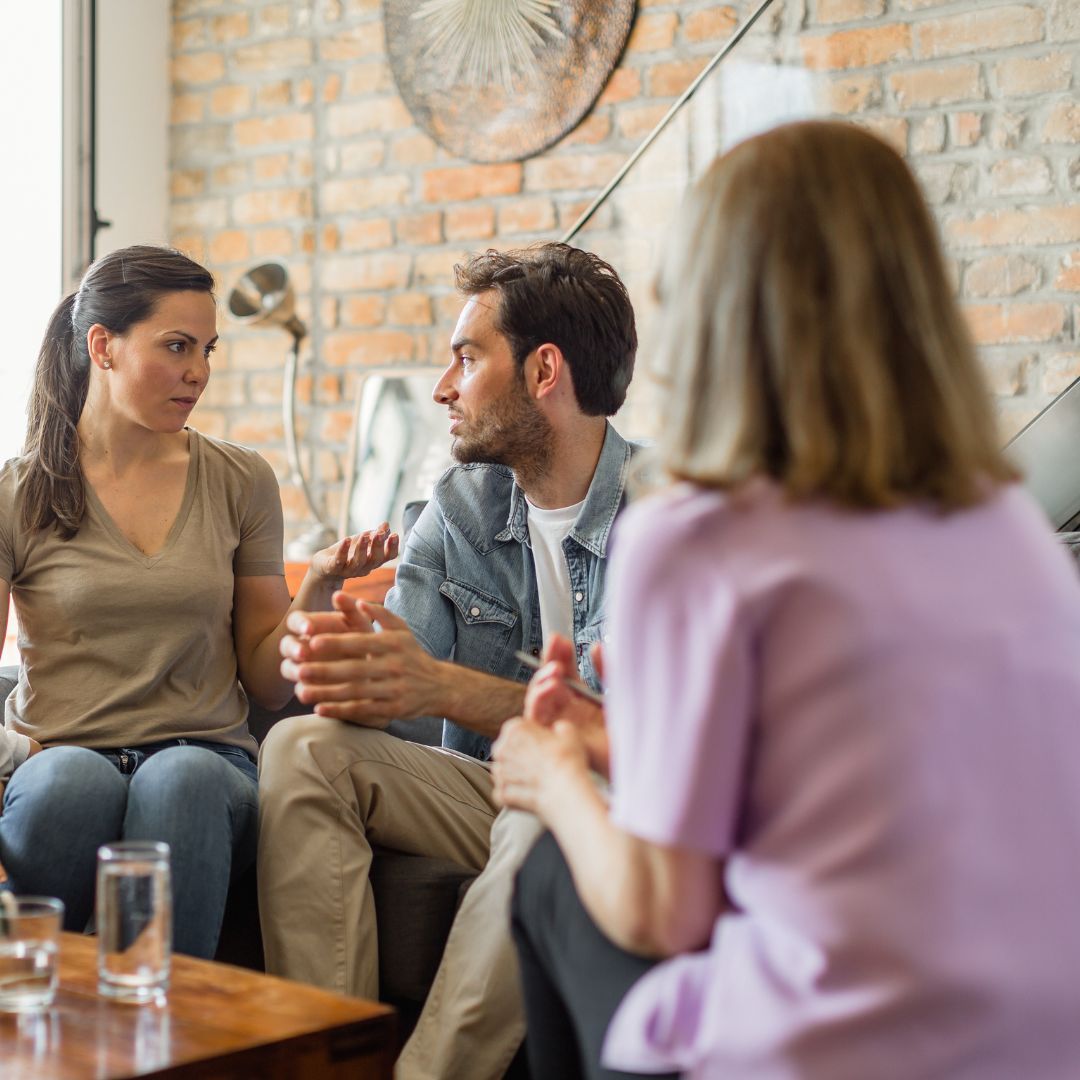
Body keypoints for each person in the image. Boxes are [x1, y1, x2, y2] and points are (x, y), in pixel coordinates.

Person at [493, 120, 1080, 1080]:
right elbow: (868, 783)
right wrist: (613, 738)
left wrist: (554, 772)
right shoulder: (1009, 531)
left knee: (554, 876)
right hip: (1046, 1044)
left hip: (832, 1054)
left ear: (712, 310)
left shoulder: (695, 537)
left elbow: (660, 908)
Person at [257, 241, 638, 1079]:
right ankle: (323, 1065)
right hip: (480, 788)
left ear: (544, 371)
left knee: (551, 804)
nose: (443, 387)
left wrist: (440, 686)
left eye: (467, 358)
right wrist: (330, 638)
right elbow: (388, 699)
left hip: (611, 803)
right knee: (301, 752)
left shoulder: (664, 521)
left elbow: (628, 736)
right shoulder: (460, 508)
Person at [0, 244, 396, 959]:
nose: (199, 373)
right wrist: (19, 751)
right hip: (61, 751)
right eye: (177, 347)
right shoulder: (17, 493)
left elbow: (266, 679)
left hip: (206, 760)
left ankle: (170, 1037)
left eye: (207, 349)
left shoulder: (240, 480)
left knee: (178, 778)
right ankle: (42, 1026)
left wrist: (318, 587)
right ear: (104, 347)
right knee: (67, 782)